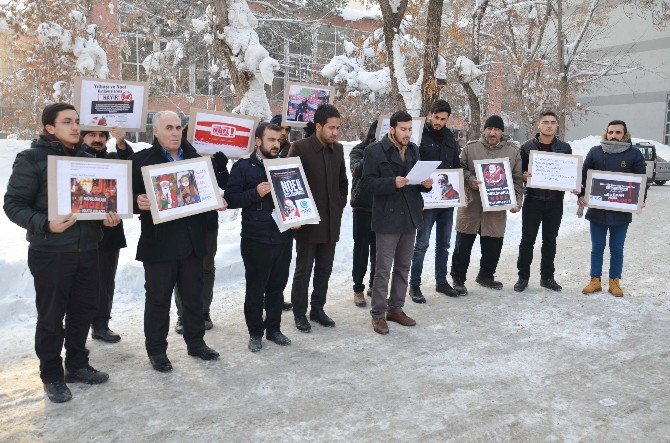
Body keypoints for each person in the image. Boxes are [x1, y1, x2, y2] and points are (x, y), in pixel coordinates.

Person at [4, 103, 120, 403]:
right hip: (51, 252)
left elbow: (95, 201)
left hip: (88, 249)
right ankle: (52, 373)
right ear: (49, 127)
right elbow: (13, 205)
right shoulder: (31, 159)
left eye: (77, 122)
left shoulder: (88, 159)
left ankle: (77, 365)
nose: (75, 127)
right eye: (67, 122)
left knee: (83, 311)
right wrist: (45, 223)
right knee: (51, 316)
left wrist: (109, 214)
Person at [132, 111, 224, 372]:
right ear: (156, 133)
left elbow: (208, 192)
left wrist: (215, 200)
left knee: (193, 298)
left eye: (178, 128)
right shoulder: (141, 161)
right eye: (169, 128)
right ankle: (157, 351)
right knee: (158, 301)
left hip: (192, 243)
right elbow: (124, 197)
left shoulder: (196, 160)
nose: (175, 133)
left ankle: (196, 343)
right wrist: (138, 202)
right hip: (159, 245)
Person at [362, 111, 433, 334]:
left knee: (403, 267)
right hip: (386, 217)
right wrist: (392, 182)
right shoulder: (374, 151)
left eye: (410, 129)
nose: (407, 134)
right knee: (383, 269)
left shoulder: (413, 149)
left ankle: (396, 308)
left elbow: (416, 180)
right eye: (403, 129)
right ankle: (378, 314)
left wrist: (426, 184)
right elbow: (368, 184)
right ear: (392, 129)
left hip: (409, 215)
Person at [225, 123, 294, 352]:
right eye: (271, 140)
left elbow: (296, 195)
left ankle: (274, 329)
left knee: (277, 287)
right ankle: (255, 332)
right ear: (257, 141)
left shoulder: (287, 166)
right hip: (256, 238)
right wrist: (256, 192)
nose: (276, 144)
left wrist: (300, 215)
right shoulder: (243, 167)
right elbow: (232, 199)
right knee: (256, 289)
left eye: (278, 141)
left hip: (283, 236)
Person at [288, 104, 348, 333]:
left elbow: (343, 182)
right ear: (319, 126)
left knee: (325, 268)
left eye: (338, 128)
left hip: (331, 221)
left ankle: (318, 308)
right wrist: (297, 213)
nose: (335, 132)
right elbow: (289, 183)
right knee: (304, 270)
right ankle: (299, 312)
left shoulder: (339, 150)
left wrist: (339, 202)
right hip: (306, 223)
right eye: (331, 128)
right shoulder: (300, 148)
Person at [450, 115, 523, 294]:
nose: (492, 133)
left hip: (497, 206)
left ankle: (486, 275)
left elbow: (518, 180)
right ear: (484, 130)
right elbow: (459, 169)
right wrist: (470, 179)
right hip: (471, 204)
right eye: (489, 129)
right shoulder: (470, 148)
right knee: (463, 244)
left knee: (493, 243)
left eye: (497, 129)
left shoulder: (512, 152)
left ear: (502, 132)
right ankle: (458, 279)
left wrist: (517, 202)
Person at [579, 120, 646, 297]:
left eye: (618, 132)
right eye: (611, 132)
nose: (614, 136)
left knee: (617, 248)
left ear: (625, 134)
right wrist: (581, 195)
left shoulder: (634, 154)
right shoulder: (595, 152)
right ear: (606, 133)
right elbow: (585, 177)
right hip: (597, 211)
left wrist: (641, 199)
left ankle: (614, 281)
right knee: (597, 247)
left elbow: (642, 180)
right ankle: (595, 280)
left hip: (621, 212)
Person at [174, 120, 229, 334]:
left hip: (207, 224)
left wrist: (222, 167)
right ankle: (182, 315)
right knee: (182, 270)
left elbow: (226, 184)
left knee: (206, 268)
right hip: (182, 223)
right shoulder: (178, 156)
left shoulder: (211, 157)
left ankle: (204, 311)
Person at [81, 127, 133, 343]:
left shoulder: (113, 159)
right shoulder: (70, 161)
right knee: (80, 283)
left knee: (105, 281)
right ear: (82, 137)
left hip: (109, 232)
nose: (97, 139)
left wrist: (121, 142)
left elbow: (133, 166)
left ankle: (101, 325)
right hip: (79, 234)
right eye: (92, 135)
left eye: (102, 135)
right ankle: (78, 328)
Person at [514, 111, 574, 293]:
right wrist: (524, 176)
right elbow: (519, 173)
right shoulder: (526, 147)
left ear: (557, 126)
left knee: (550, 241)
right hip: (533, 200)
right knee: (527, 241)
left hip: (555, 202)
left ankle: (547, 277)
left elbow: (569, 172)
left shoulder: (565, 148)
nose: (549, 125)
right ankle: (523, 277)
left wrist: (572, 181)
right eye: (545, 122)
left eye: (552, 122)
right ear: (538, 125)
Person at [408, 100, 462, 303]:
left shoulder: (450, 138)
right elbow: (412, 164)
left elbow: (456, 165)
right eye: (436, 117)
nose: (439, 122)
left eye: (443, 119)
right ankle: (414, 284)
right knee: (421, 243)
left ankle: (441, 281)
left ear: (448, 119)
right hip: (426, 198)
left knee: (444, 244)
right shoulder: (419, 135)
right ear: (430, 115)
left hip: (447, 199)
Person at [350, 120, 378, 307]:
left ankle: (374, 285)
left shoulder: (391, 152)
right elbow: (357, 170)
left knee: (379, 250)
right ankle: (358, 288)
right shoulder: (359, 150)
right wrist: (374, 151)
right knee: (361, 250)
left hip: (382, 207)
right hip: (362, 206)